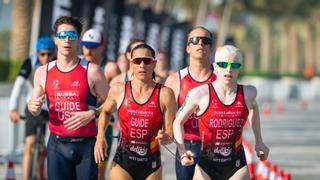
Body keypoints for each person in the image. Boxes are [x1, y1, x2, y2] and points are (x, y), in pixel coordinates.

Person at [28, 16, 108, 179]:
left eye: (71, 36)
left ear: (78, 39)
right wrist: (33, 106)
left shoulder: (92, 71)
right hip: (57, 146)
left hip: (86, 147)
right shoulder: (43, 72)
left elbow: (113, 105)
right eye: (62, 35)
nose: (66, 40)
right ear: (56, 39)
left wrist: (93, 113)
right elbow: (34, 106)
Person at [173, 45, 270, 179]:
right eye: (223, 64)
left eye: (234, 65)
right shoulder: (199, 94)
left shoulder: (249, 93)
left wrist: (259, 141)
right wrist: (182, 151)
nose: (228, 69)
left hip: (236, 166)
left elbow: (253, 107)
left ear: (239, 68)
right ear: (216, 67)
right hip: (206, 167)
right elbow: (177, 122)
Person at [94, 43, 176, 180]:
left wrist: (166, 137)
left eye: (147, 61)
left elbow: (170, 133)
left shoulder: (165, 94)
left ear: (154, 63)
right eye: (138, 61)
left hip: (151, 165)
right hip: (123, 163)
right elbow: (105, 112)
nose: (142, 65)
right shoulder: (118, 90)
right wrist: (100, 136)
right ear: (131, 63)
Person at [164, 26, 216, 180]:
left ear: (210, 48)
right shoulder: (175, 80)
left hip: (214, 147)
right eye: (195, 40)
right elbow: (163, 116)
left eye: (205, 41)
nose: (200, 44)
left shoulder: (221, 79)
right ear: (187, 48)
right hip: (185, 145)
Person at [9, 36, 55, 180]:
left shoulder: (58, 63)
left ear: (53, 53)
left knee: (45, 149)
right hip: (33, 106)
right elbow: (18, 86)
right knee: (29, 143)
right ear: (37, 53)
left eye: (49, 54)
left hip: (52, 108)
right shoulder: (30, 62)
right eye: (42, 54)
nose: (46, 57)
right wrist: (13, 109)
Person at [80, 28, 119, 180]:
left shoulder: (110, 69)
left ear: (102, 47)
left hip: (102, 125)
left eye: (93, 46)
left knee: (99, 172)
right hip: (81, 125)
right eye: (86, 46)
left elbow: (118, 96)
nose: (89, 51)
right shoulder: (78, 65)